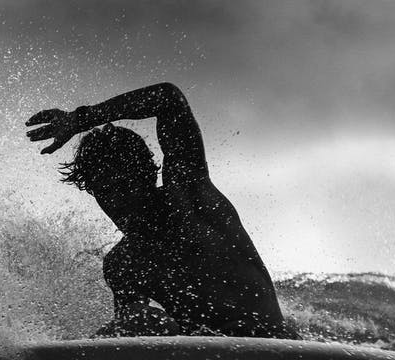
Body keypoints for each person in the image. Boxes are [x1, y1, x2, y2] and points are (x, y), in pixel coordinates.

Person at [26, 82, 291, 339]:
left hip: (275, 347)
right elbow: (130, 341)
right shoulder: (123, 264)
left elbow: (168, 98)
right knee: (139, 319)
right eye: (104, 192)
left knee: (145, 321)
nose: (116, 202)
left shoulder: (189, 198)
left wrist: (80, 119)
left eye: (124, 186)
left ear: (148, 176)